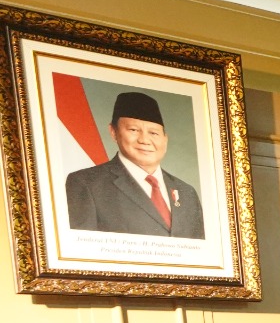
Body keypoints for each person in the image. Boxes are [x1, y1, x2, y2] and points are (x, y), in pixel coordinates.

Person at [64, 90, 204, 239]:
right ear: (113, 132)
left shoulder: (187, 193)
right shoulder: (86, 183)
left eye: (154, 133)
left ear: (165, 139)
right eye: (134, 130)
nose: (144, 140)